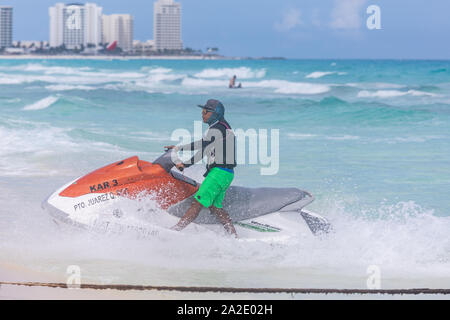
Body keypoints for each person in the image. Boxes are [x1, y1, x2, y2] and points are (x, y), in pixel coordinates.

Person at [164, 99, 238, 237]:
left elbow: (200, 144)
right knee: (215, 207)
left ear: (215, 114)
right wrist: (185, 164)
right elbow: (203, 151)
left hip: (219, 173)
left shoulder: (218, 128)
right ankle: (234, 236)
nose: (202, 114)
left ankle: (175, 231)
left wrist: (179, 148)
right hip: (226, 173)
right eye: (202, 111)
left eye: (206, 111)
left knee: (197, 202)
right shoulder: (221, 127)